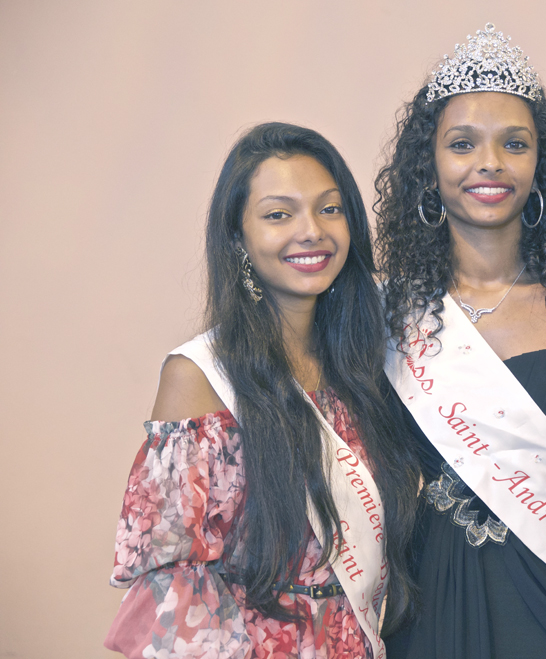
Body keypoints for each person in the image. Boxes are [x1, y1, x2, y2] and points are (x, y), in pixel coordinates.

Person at [375, 23, 546, 659]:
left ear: (539, 165)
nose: (489, 163)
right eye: (462, 144)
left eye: (514, 144)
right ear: (429, 167)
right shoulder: (385, 314)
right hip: (436, 605)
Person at [105, 123, 421, 659]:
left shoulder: (365, 369)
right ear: (238, 237)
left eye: (330, 209)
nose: (312, 231)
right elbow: (175, 591)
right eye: (279, 214)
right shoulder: (202, 377)